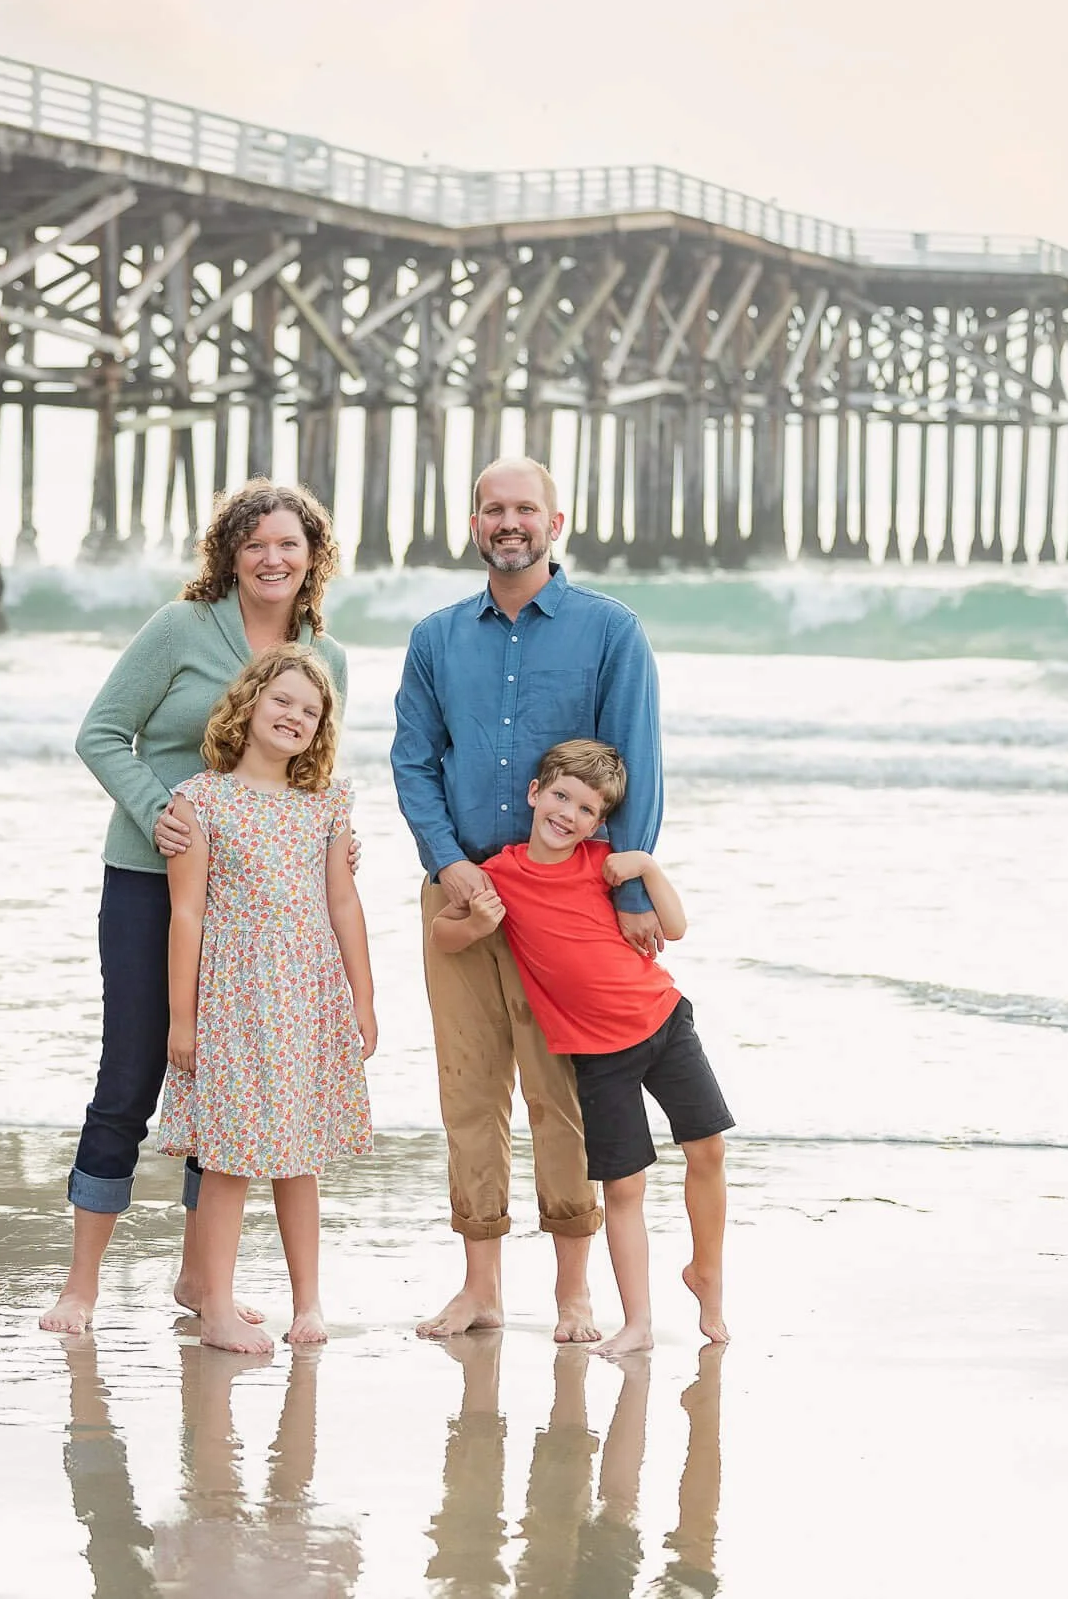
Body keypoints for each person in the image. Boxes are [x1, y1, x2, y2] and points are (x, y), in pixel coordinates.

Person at [43, 483, 352, 1336]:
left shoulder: (326, 654)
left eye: (289, 543)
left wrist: (334, 843)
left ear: (312, 556)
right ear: (229, 551)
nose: (272, 558)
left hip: (255, 904)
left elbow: (311, 772)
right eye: (254, 543)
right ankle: (82, 1283)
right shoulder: (180, 629)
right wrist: (159, 812)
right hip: (152, 877)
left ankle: (198, 1278)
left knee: (227, 1085)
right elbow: (102, 731)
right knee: (133, 1072)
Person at [391, 457, 665, 1342]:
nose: (509, 522)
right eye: (492, 508)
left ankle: (574, 1291)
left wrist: (629, 886)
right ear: (474, 520)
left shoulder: (609, 631)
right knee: (468, 1094)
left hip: (571, 907)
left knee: (564, 1098)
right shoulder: (436, 638)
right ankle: (479, 1286)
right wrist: (447, 861)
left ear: (556, 521)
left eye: (524, 509)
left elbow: (637, 760)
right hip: (463, 894)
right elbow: (412, 760)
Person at [431, 739, 731, 1355]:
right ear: (534, 793)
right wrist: (477, 924)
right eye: (560, 796)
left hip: (664, 1023)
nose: (568, 814)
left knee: (708, 1150)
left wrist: (646, 865)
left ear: (600, 823)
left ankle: (708, 1277)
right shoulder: (501, 874)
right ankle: (638, 1321)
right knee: (624, 1188)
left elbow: (673, 927)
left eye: (587, 809)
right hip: (598, 1058)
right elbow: (443, 932)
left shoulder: (605, 864)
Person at [159, 644, 378, 1353]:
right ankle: (216, 1304)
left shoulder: (327, 805)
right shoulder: (201, 800)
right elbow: (186, 913)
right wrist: (182, 1018)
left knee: (299, 1151)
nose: (295, 716)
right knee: (227, 1155)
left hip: (307, 996)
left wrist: (363, 1000)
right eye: (283, 700)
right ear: (250, 701)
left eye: (311, 711)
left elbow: (344, 904)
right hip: (233, 995)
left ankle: (307, 1302)